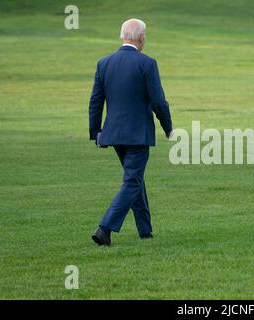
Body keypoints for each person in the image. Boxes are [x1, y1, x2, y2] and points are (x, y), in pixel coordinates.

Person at [88, 18, 172, 246]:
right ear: (142, 38)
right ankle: (104, 228)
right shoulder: (147, 63)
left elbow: (95, 101)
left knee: (135, 179)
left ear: (122, 36)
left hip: (114, 135)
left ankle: (145, 230)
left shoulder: (104, 63)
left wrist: (97, 132)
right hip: (138, 135)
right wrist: (168, 128)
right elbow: (159, 102)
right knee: (133, 181)